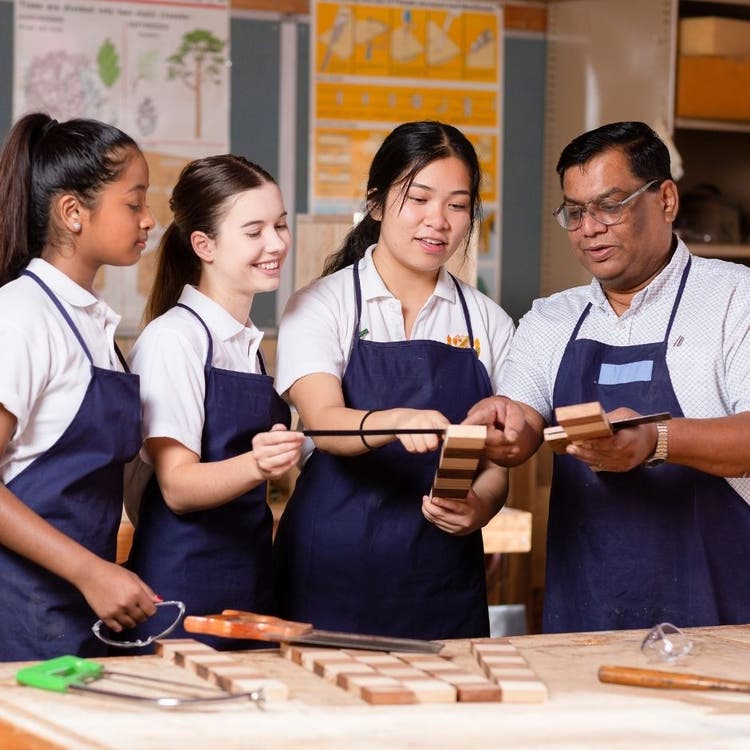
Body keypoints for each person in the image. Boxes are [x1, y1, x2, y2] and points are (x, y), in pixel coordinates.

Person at [467, 121, 750, 634]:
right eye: (574, 212)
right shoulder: (551, 319)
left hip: (720, 610)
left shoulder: (735, 299)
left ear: (666, 199)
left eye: (610, 205)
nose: (589, 228)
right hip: (587, 607)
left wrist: (655, 440)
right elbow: (523, 422)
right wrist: (503, 427)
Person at [273, 121, 515, 640]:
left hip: (441, 578)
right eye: (419, 198)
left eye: (457, 204)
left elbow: (496, 462)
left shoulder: (489, 322)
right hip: (328, 572)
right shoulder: (321, 305)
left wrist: (480, 507)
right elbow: (323, 422)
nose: (438, 221)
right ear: (378, 204)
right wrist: (398, 419)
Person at [125, 155, 304, 650]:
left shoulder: (246, 342)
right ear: (204, 245)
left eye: (281, 225)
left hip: (246, 581)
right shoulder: (174, 340)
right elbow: (178, 485)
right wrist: (258, 462)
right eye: (254, 231)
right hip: (182, 591)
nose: (276, 243)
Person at [0, 112, 160, 660]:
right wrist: (92, 571)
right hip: (19, 615)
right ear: (73, 212)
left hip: (80, 613)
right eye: (134, 203)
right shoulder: (19, 317)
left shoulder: (97, 327)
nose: (148, 220)